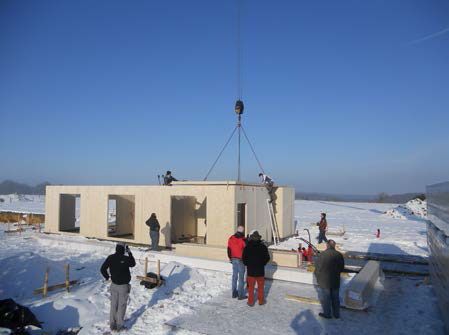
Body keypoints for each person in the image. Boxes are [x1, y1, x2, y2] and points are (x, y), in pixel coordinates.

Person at [100, 243, 136, 331]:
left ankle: (112, 325)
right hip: (123, 286)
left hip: (114, 285)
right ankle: (119, 326)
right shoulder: (126, 258)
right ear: (124, 250)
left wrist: (107, 277)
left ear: (116, 249)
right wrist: (130, 253)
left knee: (113, 305)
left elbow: (102, 269)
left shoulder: (111, 257)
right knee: (121, 306)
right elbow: (133, 263)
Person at [314, 240, 345, 319]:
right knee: (335, 298)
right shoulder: (339, 255)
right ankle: (336, 314)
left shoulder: (322, 255)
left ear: (327, 245)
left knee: (326, 298)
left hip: (324, 281)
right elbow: (341, 268)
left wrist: (318, 278)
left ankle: (327, 314)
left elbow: (317, 269)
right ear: (334, 246)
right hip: (335, 281)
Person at [242, 230, 270, 306]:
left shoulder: (247, 247)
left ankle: (250, 302)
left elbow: (244, 258)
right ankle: (261, 301)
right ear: (259, 238)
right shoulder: (263, 247)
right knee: (261, 287)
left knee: (250, 288)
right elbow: (267, 258)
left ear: (251, 238)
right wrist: (263, 264)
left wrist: (247, 264)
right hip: (260, 271)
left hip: (250, 271)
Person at [227, 225, 246, 299]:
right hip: (241, 260)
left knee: (234, 276)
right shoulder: (243, 239)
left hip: (233, 259)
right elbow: (246, 251)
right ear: (243, 231)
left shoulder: (231, 238)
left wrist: (230, 258)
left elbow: (228, 249)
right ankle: (240, 295)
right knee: (241, 278)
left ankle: (234, 293)